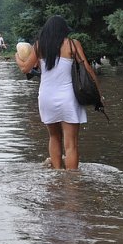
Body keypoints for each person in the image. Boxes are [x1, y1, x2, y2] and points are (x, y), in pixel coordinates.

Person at [15, 15, 103, 170]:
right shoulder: (72, 45)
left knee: (54, 137)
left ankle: (56, 174)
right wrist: (98, 94)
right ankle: (72, 181)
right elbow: (88, 70)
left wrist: (17, 56)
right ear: (64, 30)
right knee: (71, 144)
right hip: (68, 98)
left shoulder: (39, 46)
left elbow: (25, 69)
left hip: (46, 97)